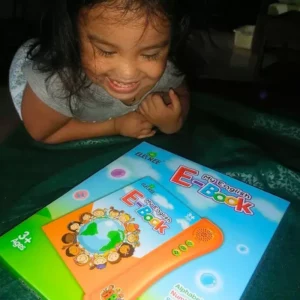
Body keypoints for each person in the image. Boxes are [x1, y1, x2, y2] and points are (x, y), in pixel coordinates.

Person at [19, 0, 190, 144]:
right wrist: (115, 126)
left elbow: (181, 96)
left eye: (150, 55)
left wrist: (172, 123)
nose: (127, 74)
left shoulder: (168, 70)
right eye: (106, 51)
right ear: (74, 35)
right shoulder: (57, 83)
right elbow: (42, 133)